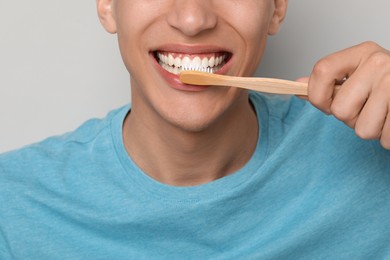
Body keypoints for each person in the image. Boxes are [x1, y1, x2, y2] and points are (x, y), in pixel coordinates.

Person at [1, 0, 390, 258]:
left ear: (276, 8)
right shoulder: (12, 207)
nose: (192, 20)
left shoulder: (376, 159)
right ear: (108, 5)